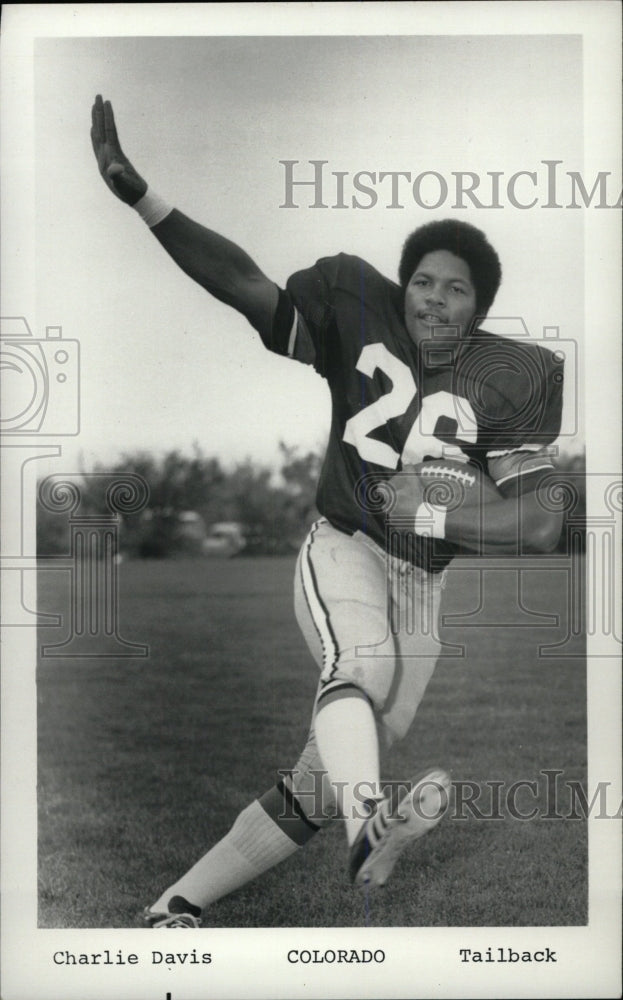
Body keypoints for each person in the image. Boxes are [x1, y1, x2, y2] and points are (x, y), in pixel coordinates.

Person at [91, 95, 564, 928]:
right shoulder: (354, 301)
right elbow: (244, 285)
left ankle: (173, 905)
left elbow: (537, 523)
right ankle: (366, 829)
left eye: (454, 291)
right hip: (342, 544)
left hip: (422, 583)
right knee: (363, 668)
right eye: (421, 281)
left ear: (479, 312)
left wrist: (431, 518)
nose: (432, 299)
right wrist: (145, 200)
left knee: (324, 771)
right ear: (401, 284)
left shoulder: (518, 376)